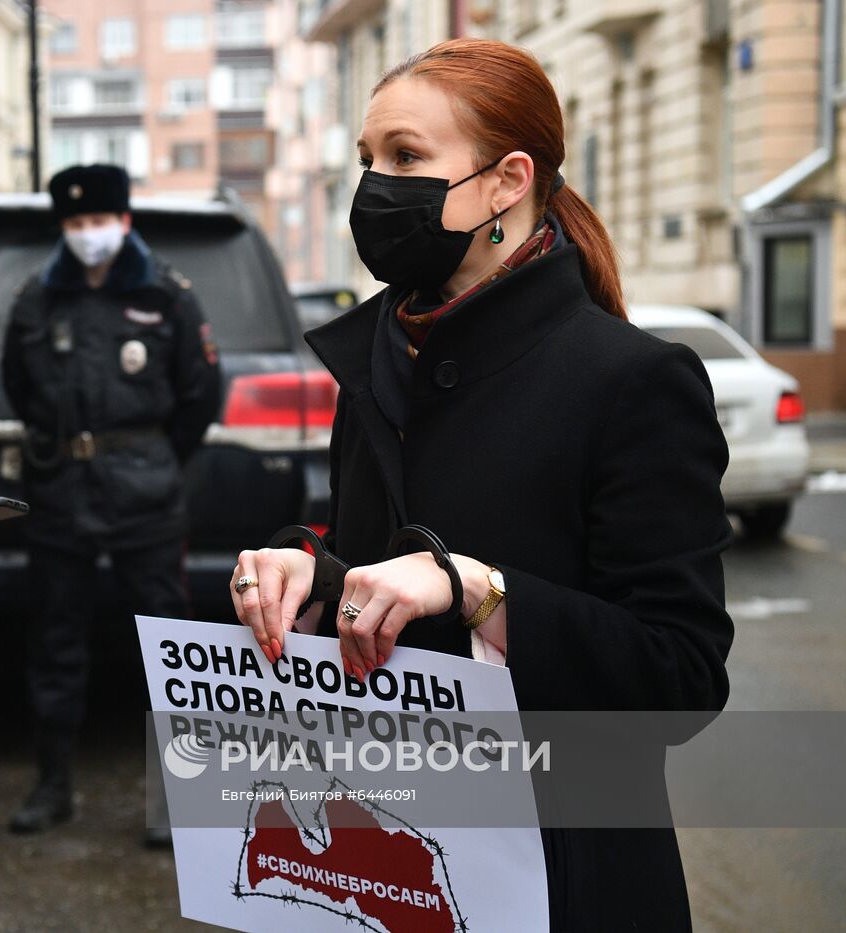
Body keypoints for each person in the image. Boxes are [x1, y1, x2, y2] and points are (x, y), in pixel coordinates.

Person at [230, 39, 733, 932]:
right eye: (368, 160)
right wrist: (311, 578)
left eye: (408, 158)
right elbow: (373, 573)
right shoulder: (375, 360)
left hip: (558, 872)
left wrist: (479, 591)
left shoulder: (632, 381)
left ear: (508, 180)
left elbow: (679, 676)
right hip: (386, 862)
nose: (375, 186)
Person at [0, 163, 222, 834]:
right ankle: (52, 785)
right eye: (74, 224)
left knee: (168, 648)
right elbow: (20, 386)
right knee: (55, 644)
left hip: (145, 494)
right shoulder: (37, 299)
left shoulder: (168, 297)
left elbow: (200, 395)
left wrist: (148, 457)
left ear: (124, 221)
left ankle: (177, 801)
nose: (87, 234)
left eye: (97, 221)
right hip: (61, 492)